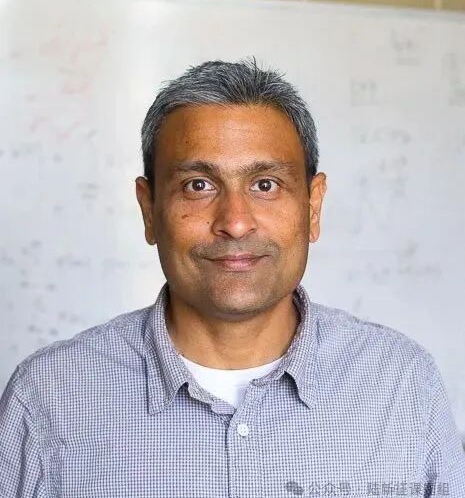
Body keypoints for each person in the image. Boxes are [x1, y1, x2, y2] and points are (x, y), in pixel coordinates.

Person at [1, 58, 464, 497]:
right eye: (198, 185)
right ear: (149, 209)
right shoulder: (49, 398)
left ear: (313, 206)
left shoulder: (402, 384)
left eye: (265, 185)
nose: (236, 223)